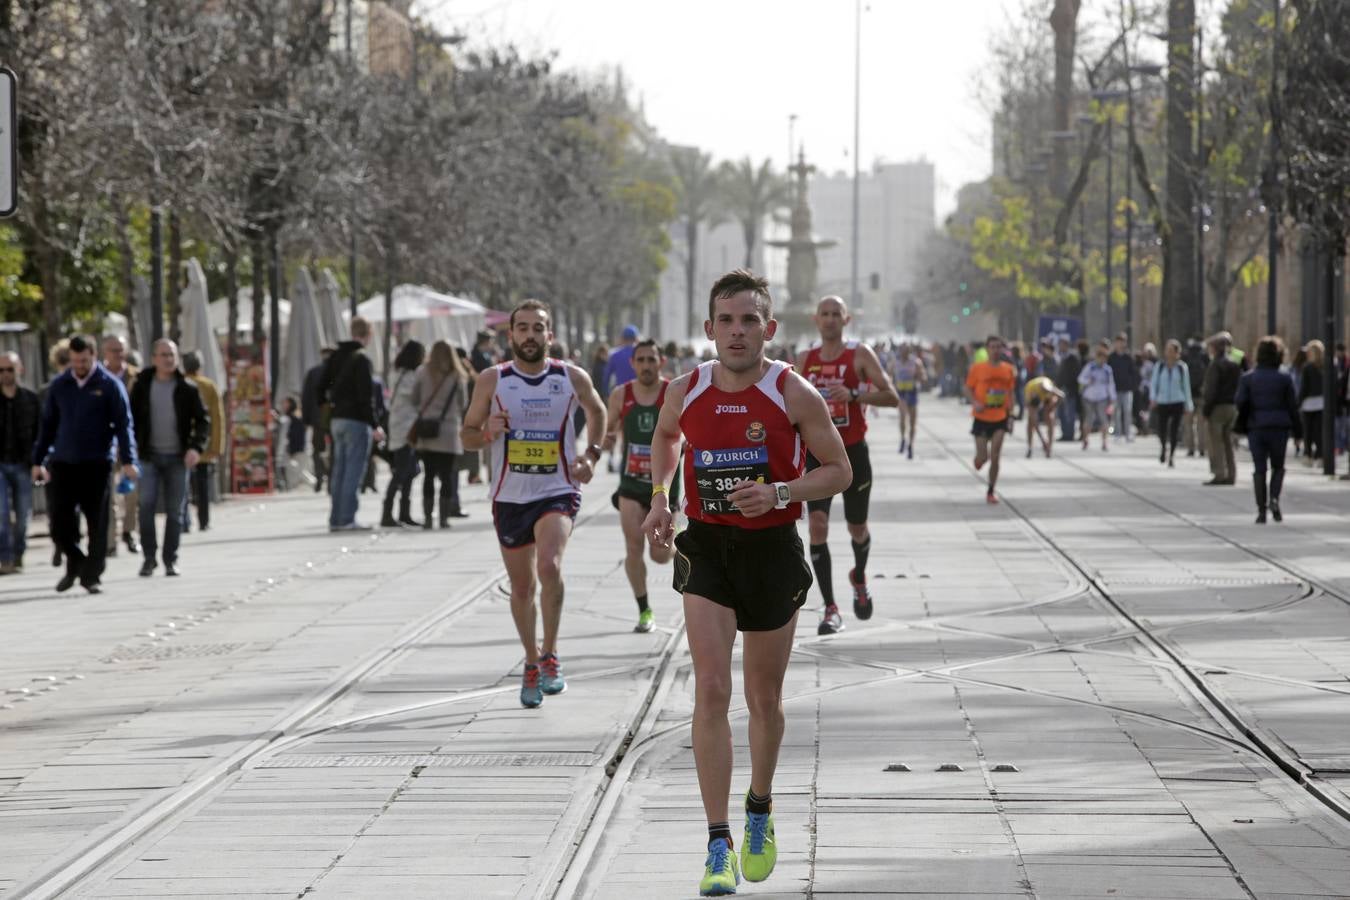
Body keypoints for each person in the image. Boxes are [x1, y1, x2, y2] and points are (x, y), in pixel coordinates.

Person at [641, 269, 851, 897]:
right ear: (709, 329)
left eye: (749, 320)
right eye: (726, 321)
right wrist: (659, 498)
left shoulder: (795, 393)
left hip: (772, 550)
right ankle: (716, 842)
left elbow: (838, 470)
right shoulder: (685, 389)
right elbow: (665, 437)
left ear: (769, 328)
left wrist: (782, 490)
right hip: (706, 546)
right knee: (709, 688)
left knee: (763, 699)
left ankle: (759, 808)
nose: (737, 332)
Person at [460, 299, 606, 709]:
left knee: (550, 566)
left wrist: (591, 455)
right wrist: (486, 432)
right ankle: (529, 659)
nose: (530, 335)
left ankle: (551, 653)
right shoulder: (492, 380)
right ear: (511, 336)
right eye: (522, 328)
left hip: (557, 489)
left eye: (537, 328)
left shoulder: (570, 376)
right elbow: (466, 436)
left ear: (550, 335)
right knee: (522, 586)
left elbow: (598, 410)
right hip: (510, 495)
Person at [797, 295, 898, 635]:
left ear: (846, 319)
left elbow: (891, 396)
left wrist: (854, 396)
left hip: (853, 453)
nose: (829, 320)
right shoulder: (804, 358)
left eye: (835, 314)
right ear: (816, 319)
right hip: (817, 456)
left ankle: (858, 575)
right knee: (817, 527)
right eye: (824, 314)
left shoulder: (859, 355)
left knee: (857, 528)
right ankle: (829, 608)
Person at [32, 335, 138, 593]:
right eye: (75, 360)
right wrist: (38, 460)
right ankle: (77, 562)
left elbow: (124, 426)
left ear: (93, 356)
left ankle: (91, 575)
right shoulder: (60, 385)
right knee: (59, 522)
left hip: (97, 462)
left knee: (97, 522)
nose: (79, 365)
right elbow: (47, 426)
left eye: (84, 360)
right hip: (64, 462)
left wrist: (128, 460)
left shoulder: (109, 385)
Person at [601, 338, 676, 633]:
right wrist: (605, 442)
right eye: (641, 360)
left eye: (651, 359)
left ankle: (677, 539)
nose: (646, 365)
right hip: (631, 484)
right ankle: (644, 610)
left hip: (666, 487)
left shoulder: (673, 392)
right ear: (632, 364)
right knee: (633, 548)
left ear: (661, 362)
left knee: (659, 555)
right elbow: (610, 431)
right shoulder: (621, 395)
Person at [129, 340, 209, 577]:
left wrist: (196, 447)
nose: (168, 359)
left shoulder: (187, 387)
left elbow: (203, 421)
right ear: (153, 358)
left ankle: (170, 559)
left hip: (178, 457)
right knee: (146, 508)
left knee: (176, 511)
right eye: (163, 355)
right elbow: (130, 420)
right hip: (148, 457)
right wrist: (129, 452)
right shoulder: (142, 385)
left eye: (171, 355)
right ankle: (149, 558)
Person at [320, 318, 384, 531]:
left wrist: (330, 406)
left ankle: (336, 518)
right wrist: (374, 424)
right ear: (368, 334)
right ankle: (347, 518)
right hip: (356, 420)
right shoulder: (361, 359)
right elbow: (366, 396)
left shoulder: (336, 356)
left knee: (338, 470)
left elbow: (320, 387)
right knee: (353, 471)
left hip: (337, 419)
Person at [1236, 336, 1301, 524]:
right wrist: (1298, 433)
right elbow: (1292, 406)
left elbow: (1240, 401)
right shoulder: (1284, 378)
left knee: (1259, 468)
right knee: (1278, 466)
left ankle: (1261, 510)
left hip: (1256, 427)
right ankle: (1274, 498)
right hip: (1279, 427)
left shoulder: (1248, 378)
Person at [413, 340, 471, 528]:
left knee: (428, 475)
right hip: (448, 430)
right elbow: (463, 404)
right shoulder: (457, 375)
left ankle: (428, 518)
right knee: (446, 475)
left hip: (427, 430)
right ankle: (444, 518)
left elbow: (414, 398)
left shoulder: (422, 372)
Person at [965, 334, 1016, 504]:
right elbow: (968, 389)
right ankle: (979, 459)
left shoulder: (1008, 369)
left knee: (996, 455)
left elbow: (1010, 393)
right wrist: (975, 402)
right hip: (981, 417)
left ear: (1002, 349)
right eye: (992, 347)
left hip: (1000, 416)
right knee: (984, 456)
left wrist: (1011, 415)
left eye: (998, 347)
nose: (995, 350)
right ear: (987, 349)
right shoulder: (977, 368)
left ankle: (991, 490)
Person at [0, 352, 39, 573]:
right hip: (1, 465)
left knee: (23, 515)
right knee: (1, 514)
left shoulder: (31, 399)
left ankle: (18, 553)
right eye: (1, 370)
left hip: (24, 464)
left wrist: (38, 462)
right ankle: (4, 558)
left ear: (19, 370)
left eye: (9, 369)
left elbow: (40, 434)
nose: (5, 374)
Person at [102, 335, 140, 556]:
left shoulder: (137, 376)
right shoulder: (98, 377)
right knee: (108, 496)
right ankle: (110, 541)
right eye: (113, 350)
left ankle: (129, 531)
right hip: (106, 444)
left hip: (131, 442)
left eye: (121, 350)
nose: (118, 354)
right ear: (105, 352)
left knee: (133, 494)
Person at [381, 340, 426, 528]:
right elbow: (418, 399)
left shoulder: (397, 374)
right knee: (401, 473)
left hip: (402, 429)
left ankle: (404, 513)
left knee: (408, 472)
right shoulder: (410, 377)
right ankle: (388, 513)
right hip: (405, 431)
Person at [181, 352, 224, 533]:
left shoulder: (179, 384)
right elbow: (217, 417)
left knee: (183, 485)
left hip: (182, 443)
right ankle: (204, 521)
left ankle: (184, 521)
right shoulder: (208, 386)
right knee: (202, 485)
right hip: (203, 444)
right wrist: (217, 445)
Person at [1201, 332, 1241, 485]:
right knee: (1229, 443)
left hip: (1217, 408)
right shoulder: (1234, 364)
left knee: (1216, 443)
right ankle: (1231, 474)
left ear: (1215, 349)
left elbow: (1211, 389)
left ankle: (1219, 473)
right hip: (1232, 407)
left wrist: (1206, 410)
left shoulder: (1215, 365)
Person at [1149, 339, 1194, 468]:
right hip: (1162, 401)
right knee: (1161, 429)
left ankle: (1172, 456)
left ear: (1176, 353)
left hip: (1177, 401)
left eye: (1171, 350)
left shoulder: (1181, 367)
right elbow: (1154, 384)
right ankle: (1163, 447)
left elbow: (1186, 387)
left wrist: (1188, 405)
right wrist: (1153, 398)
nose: (1168, 353)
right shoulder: (1160, 366)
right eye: (1167, 350)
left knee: (1175, 430)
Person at [301, 347, 334, 493]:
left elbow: (306, 398)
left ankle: (320, 477)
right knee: (335, 449)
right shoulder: (338, 371)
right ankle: (332, 478)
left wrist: (306, 419)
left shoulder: (313, 372)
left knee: (317, 449)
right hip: (335, 418)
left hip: (317, 418)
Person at [1078, 341, 1117, 452]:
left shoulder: (1107, 370)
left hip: (1102, 397)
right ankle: (1085, 439)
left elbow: (1110, 384)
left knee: (1103, 420)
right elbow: (1080, 378)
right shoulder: (1090, 367)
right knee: (1089, 420)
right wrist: (1087, 381)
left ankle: (1104, 442)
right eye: (1100, 357)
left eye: (1104, 357)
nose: (1102, 360)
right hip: (1089, 397)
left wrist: (1112, 397)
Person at [893, 343, 926, 459]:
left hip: (912, 393)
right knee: (902, 418)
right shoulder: (895, 363)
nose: (904, 353)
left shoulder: (916, 362)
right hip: (901, 394)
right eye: (902, 350)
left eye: (906, 351)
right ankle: (903, 439)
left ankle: (911, 445)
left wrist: (919, 377)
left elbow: (923, 377)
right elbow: (888, 376)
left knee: (912, 422)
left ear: (909, 351)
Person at [1297, 339, 1326, 467]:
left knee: (1308, 431)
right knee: (1319, 431)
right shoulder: (1326, 366)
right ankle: (1320, 456)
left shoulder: (1307, 367)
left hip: (1308, 403)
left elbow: (1304, 387)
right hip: (1322, 403)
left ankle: (1308, 455)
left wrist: (1299, 402)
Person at [1023, 374, 1064, 458]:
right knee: (1031, 422)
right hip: (1034, 396)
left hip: (1046, 395)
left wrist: (1053, 407)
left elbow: (1061, 396)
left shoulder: (1049, 389)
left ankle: (1049, 447)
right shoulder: (1030, 391)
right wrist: (1042, 441)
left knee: (1050, 418)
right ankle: (1030, 447)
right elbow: (1035, 422)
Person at [1106, 333, 1137, 442]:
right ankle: (1118, 433)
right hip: (1115, 389)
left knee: (1127, 411)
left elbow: (1133, 372)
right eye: (1119, 341)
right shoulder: (1111, 357)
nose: (1120, 344)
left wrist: (1132, 385)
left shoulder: (1128, 357)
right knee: (1117, 412)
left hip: (1127, 389)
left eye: (1123, 341)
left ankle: (1128, 433)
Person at [1182, 335, 1209, 457]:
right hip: (1202, 394)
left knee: (1188, 423)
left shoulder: (1186, 356)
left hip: (1188, 395)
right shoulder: (1204, 357)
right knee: (1201, 424)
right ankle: (1202, 448)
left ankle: (1191, 448)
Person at [1054, 336, 1081, 442]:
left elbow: (1075, 374)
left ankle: (1070, 434)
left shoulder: (1072, 357)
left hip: (1069, 389)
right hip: (1060, 388)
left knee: (1069, 413)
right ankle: (1064, 433)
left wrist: (1069, 385)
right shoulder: (1059, 357)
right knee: (1061, 413)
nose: (1060, 346)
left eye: (1062, 344)